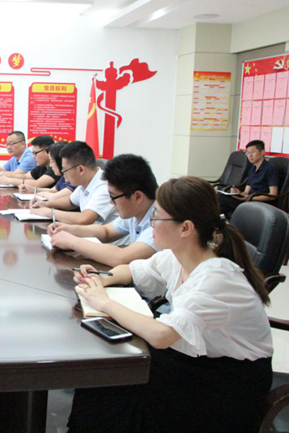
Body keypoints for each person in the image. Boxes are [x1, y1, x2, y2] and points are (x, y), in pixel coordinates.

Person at [69, 176, 272, 433]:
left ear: (185, 228)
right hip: (199, 360)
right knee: (108, 376)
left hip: (228, 384)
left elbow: (162, 335)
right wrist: (100, 278)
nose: (150, 223)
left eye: (156, 217)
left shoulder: (216, 277)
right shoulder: (178, 256)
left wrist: (104, 302)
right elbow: (131, 270)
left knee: (116, 386)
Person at [47, 154, 158, 266]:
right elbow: (106, 232)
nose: (111, 202)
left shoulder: (160, 222)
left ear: (137, 197)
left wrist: (71, 242)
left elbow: (122, 258)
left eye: (113, 197)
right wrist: (70, 229)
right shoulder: (136, 212)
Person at [31, 141, 117, 226]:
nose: (63, 174)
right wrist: (46, 204)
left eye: (65, 170)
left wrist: (50, 212)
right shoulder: (86, 182)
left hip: (101, 235)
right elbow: (70, 201)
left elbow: (84, 218)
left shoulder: (105, 187)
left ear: (81, 169)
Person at [219, 140, 279, 218]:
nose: (250, 155)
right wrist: (238, 192)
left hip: (260, 203)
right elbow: (246, 192)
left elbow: (273, 195)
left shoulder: (270, 169)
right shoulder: (252, 170)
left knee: (221, 200)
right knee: (219, 198)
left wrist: (251, 198)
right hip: (249, 200)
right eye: (247, 153)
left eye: (253, 152)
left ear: (262, 152)